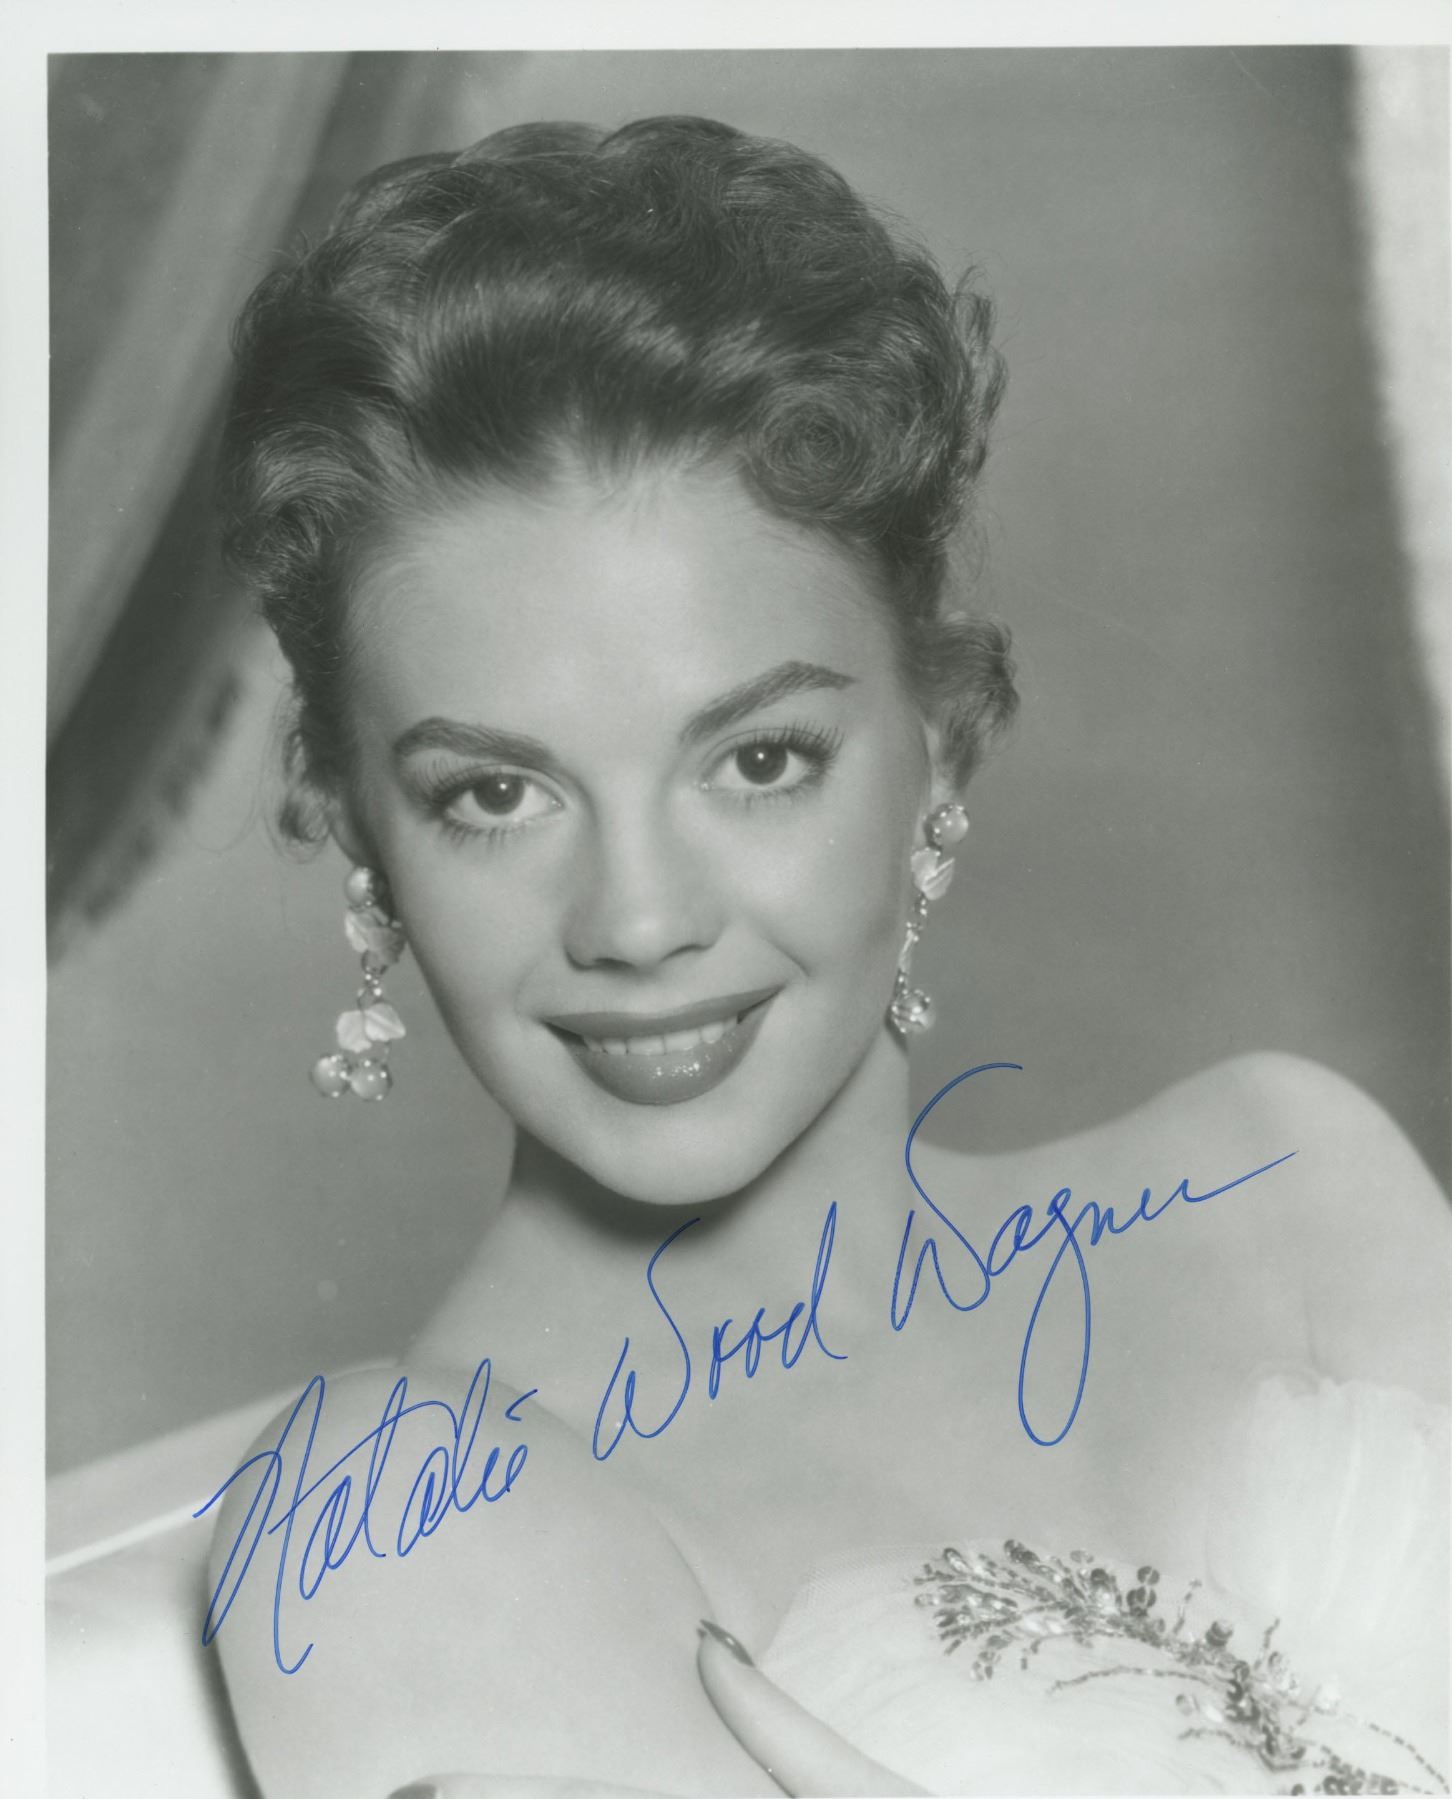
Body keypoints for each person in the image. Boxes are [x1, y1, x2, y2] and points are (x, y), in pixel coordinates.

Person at [201, 116, 1450, 1798]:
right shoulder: (394, 1515)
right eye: (495, 794)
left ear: (940, 747)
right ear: (359, 830)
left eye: (758, 759)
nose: (639, 921)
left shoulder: (1284, 1186)